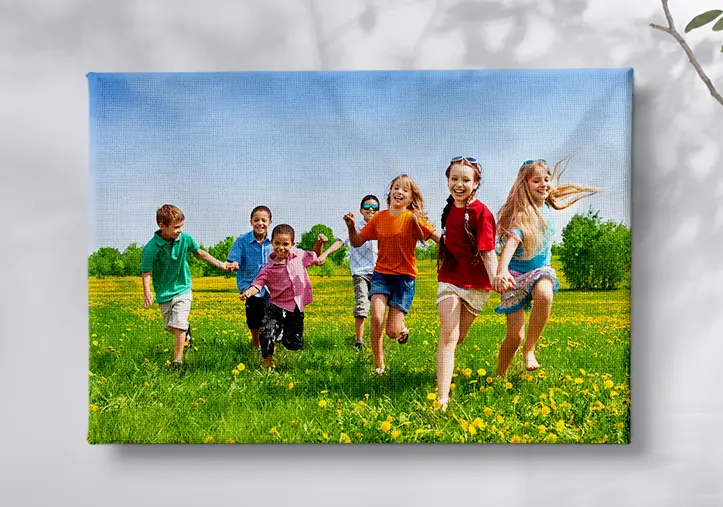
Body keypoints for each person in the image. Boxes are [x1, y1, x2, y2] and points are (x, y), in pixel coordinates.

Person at [493, 159, 601, 376]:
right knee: (515, 336)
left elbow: (555, 192)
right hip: (514, 277)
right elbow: (511, 244)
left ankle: (530, 350)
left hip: (539, 272)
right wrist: (502, 271)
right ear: (525, 185)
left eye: (546, 179)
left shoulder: (548, 206)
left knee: (545, 292)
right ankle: (500, 375)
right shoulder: (522, 216)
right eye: (536, 181)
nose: (543, 184)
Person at [344, 174, 435, 375]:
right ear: (390, 192)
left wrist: (460, 248)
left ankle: (401, 328)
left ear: (411, 198)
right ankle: (379, 366)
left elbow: (437, 238)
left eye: (404, 189)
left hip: (404, 280)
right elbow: (357, 241)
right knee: (376, 316)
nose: (399, 192)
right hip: (381, 275)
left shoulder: (413, 219)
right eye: (396, 187)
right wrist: (351, 227)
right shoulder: (379, 218)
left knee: (392, 332)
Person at [434, 156, 500, 411]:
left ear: (476, 183)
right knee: (448, 336)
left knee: (457, 338)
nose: (459, 184)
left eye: (465, 180)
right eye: (454, 179)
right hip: (450, 279)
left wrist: (496, 278)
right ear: (448, 181)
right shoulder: (449, 209)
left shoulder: (482, 213)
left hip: (477, 285)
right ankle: (442, 398)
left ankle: (443, 369)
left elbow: (487, 251)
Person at [141, 204, 237, 368]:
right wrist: (147, 292)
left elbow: (200, 253)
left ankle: (177, 361)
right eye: (176, 227)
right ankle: (186, 333)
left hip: (183, 288)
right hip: (164, 292)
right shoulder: (151, 248)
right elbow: (146, 271)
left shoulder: (185, 239)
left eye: (182, 226)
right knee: (171, 326)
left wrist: (221, 265)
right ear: (162, 226)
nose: (180, 230)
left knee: (178, 323)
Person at [240, 224, 341, 369]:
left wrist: (319, 244)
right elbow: (258, 284)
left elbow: (315, 256)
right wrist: (249, 292)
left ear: (292, 244)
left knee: (293, 343)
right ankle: (267, 364)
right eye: (277, 243)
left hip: (294, 307)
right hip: (274, 306)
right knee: (266, 332)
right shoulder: (268, 268)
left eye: (285, 244)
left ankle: (282, 336)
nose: (281, 247)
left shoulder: (299, 256)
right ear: (272, 243)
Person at [327, 195, 380, 349]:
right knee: (362, 303)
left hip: (379, 272)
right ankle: (359, 341)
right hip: (360, 272)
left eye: (375, 207)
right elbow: (340, 241)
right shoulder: (355, 227)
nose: (371, 209)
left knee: (383, 304)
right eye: (367, 207)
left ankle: (380, 337)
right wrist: (325, 254)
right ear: (361, 211)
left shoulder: (382, 226)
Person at [227, 205, 273, 350]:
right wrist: (234, 264)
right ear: (251, 222)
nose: (260, 223)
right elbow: (234, 259)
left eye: (264, 220)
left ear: (270, 223)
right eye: (256, 220)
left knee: (268, 314)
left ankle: (267, 342)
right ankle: (255, 343)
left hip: (270, 287)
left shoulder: (273, 241)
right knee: (254, 317)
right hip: (249, 286)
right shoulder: (242, 241)